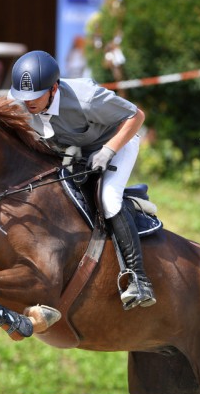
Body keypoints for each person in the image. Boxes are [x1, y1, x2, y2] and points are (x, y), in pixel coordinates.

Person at [9, 50, 156, 310]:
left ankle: (137, 278)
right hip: (75, 148)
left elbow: (136, 117)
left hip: (118, 140)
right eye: (24, 97)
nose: (27, 103)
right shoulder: (18, 100)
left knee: (108, 199)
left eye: (34, 96)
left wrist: (108, 151)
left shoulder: (86, 98)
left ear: (54, 88)